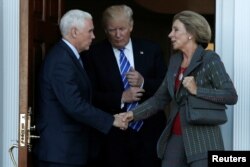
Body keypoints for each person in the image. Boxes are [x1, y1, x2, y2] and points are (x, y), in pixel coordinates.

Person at [121, 10, 238, 167]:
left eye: (176, 30)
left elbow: (230, 96)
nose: (170, 34)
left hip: (203, 140)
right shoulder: (175, 61)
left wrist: (197, 90)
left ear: (190, 33)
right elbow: (160, 99)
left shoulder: (210, 59)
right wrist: (132, 114)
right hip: (175, 137)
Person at [34, 9, 128, 167]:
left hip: (68, 152)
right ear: (74, 32)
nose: (94, 36)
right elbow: (74, 105)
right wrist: (111, 120)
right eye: (90, 31)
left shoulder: (70, 57)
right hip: (60, 154)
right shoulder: (61, 61)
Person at [83, 4, 166, 167]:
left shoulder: (151, 49)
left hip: (148, 131)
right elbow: (89, 94)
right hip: (112, 136)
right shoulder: (93, 54)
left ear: (131, 26)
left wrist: (144, 82)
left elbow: (166, 89)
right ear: (105, 30)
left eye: (122, 28)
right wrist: (121, 97)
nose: (118, 34)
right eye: (112, 30)